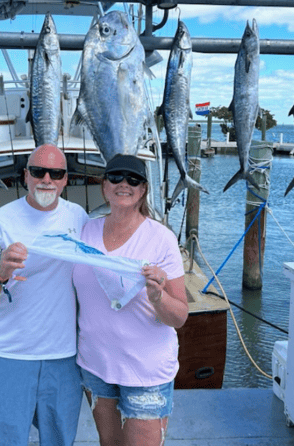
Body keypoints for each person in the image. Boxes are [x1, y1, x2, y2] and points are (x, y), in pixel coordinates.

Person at [0, 144, 89, 446]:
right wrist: (0, 272)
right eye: (38, 171)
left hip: (63, 359)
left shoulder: (79, 218)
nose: (46, 179)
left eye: (55, 173)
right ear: (26, 176)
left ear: (64, 180)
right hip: (9, 356)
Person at [72, 154, 189, 446]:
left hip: (146, 371)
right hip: (96, 365)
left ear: (143, 190)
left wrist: (158, 297)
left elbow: (179, 316)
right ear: (104, 186)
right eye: (115, 177)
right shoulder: (86, 232)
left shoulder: (162, 239)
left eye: (133, 179)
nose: (124, 184)